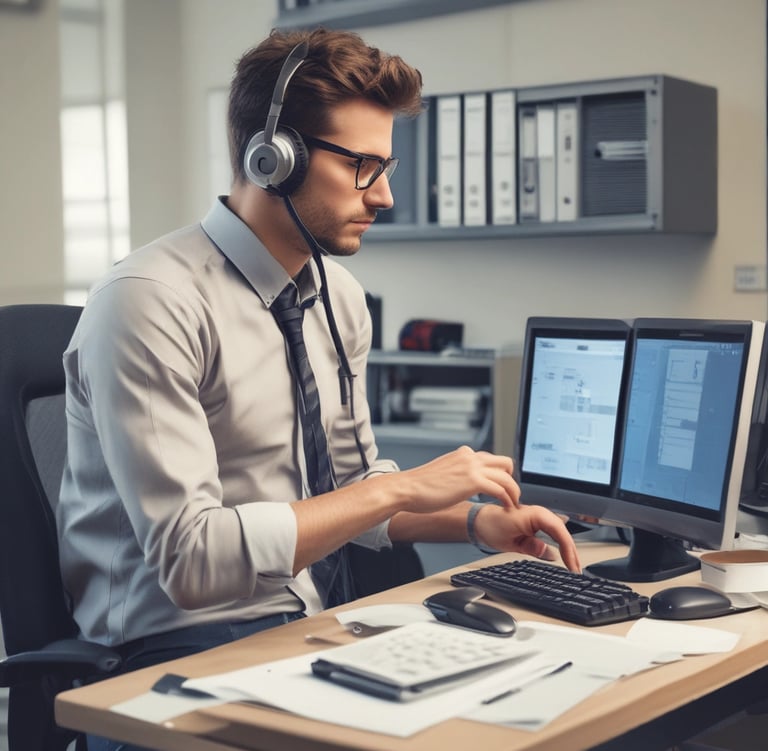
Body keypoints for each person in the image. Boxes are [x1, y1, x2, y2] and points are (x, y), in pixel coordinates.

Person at [57, 26, 580, 751]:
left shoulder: (338, 297)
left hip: (301, 627)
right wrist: (402, 489)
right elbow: (192, 561)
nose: (386, 194)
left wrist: (470, 523)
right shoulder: (149, 301)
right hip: (163, 659)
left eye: (386, 166)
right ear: (272, 158)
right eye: (363, 166)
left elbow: (348, 492)